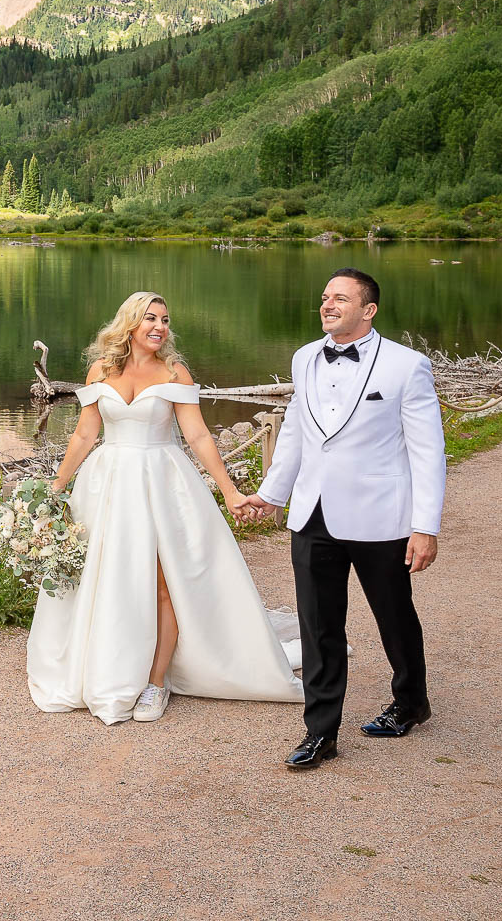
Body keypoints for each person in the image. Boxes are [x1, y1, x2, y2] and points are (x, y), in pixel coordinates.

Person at [27, 291, 303, 724]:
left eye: (165, 320)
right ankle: (107, 665)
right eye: (150, 318)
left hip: (162, 481)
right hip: (108, 483)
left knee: (163, 582)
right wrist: (57, 485)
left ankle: (156, 683)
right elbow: (84, 435)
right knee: (107, 577)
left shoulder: (175, 371)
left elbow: (198, 437)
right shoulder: (101, 370)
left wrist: (229, 491)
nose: (160, 326)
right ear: (130, 324)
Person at [243, 267, 445, 770]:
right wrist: (273, 493)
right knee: (318, 625)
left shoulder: (407, 365)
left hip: (382, 516)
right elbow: (294, 430)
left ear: (368, 310)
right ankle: (321, 733)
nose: (327, 305)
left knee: (394, 616)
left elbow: (427, 451)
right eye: (324, 298)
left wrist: (426, 526)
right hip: (313, 513)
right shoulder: (304, 357)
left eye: (340, 298)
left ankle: (411, 702)